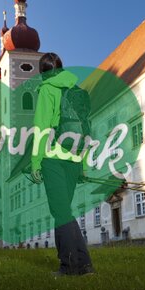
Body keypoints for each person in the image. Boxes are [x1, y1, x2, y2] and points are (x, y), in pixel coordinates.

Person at [29, 52, 94, 276]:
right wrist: (83, 165)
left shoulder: (47, 89)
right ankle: (84, 265)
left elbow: (41, 127)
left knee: (60, 211)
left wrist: (36, 162)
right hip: (75, 159)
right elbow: (87, 129)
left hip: (54, 158)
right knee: (64, 211)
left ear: (43, 72)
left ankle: (69, 266)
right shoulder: (77, 90)